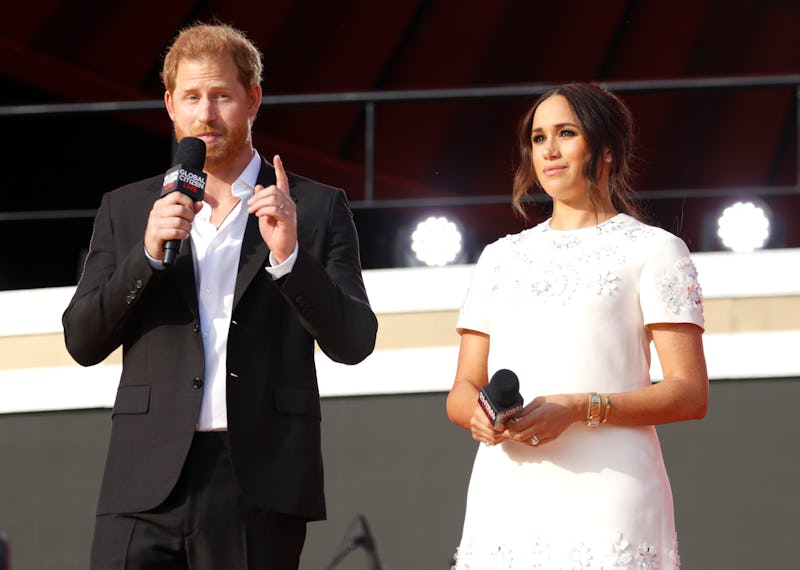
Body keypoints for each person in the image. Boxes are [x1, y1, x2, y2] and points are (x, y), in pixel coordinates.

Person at [62, 22, 377, 569]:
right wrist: (149, 254)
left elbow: (355, 341)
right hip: (142, 477)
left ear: (252, 99)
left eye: (221, 96)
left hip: (259, 476)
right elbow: (82, 339)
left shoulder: (315, 207)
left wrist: (290, 258)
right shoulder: (129, 208)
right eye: (191, 97)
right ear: (169, 105)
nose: (205, 114)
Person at [446, 82, 708, 568]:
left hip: (611, 496)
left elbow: (690, 394)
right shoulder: (499, 258)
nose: (549, 149)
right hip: (506, 494)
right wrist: (479, 417)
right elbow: (462, 389)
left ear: (607, 150)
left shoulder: (654, 250)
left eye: (566, 133)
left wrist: (581, 407)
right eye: (539, 137)